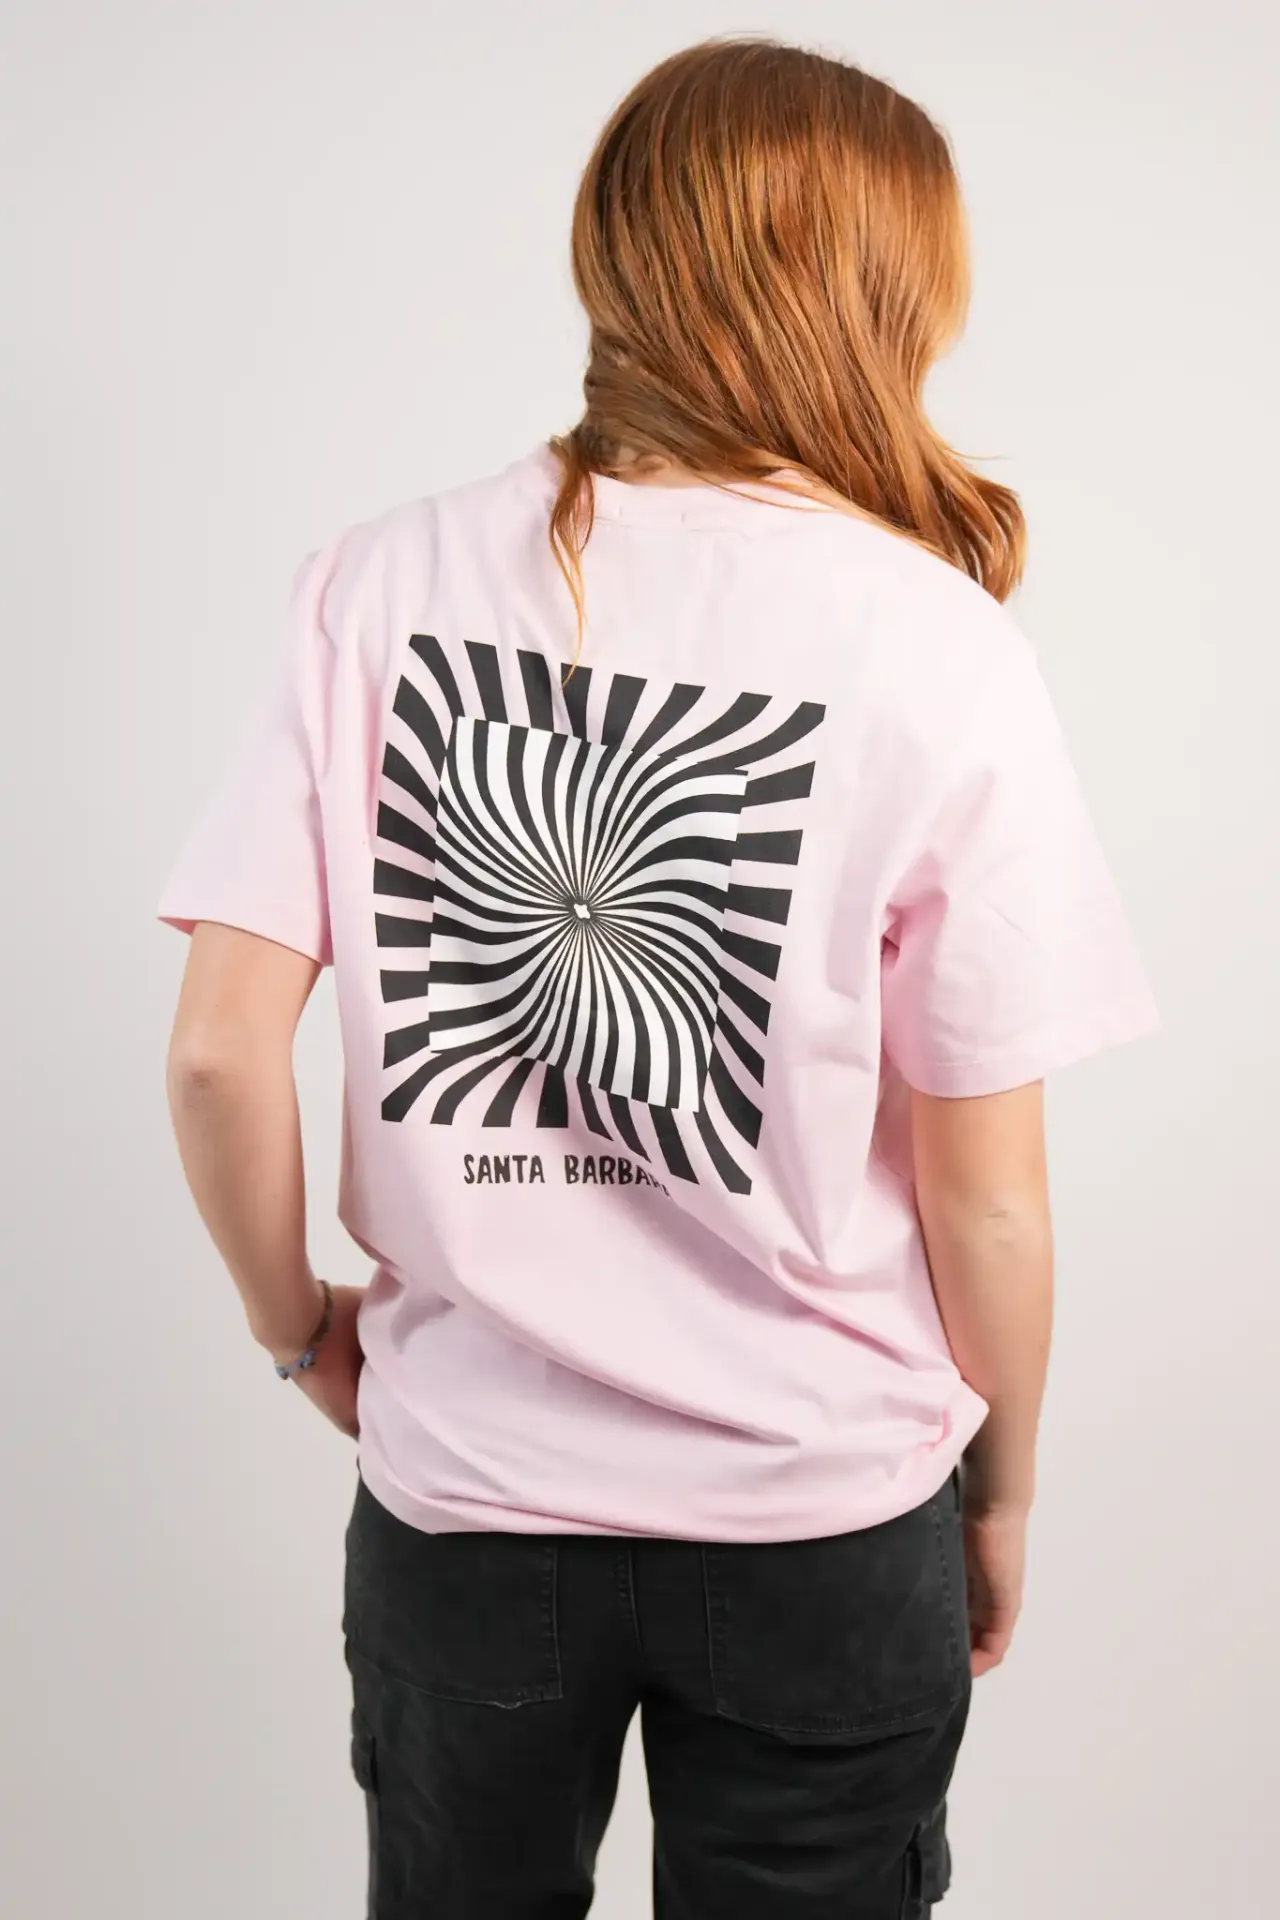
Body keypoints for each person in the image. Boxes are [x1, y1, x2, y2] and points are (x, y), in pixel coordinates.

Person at [159, 35, 1159, 1920]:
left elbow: (218, 1056)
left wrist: (302, 1332)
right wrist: (1005, 1488)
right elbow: (993, 1200)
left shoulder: (373, 586)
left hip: (469, 1508)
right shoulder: (938, 647)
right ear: (884, 295)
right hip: (822, 1520)